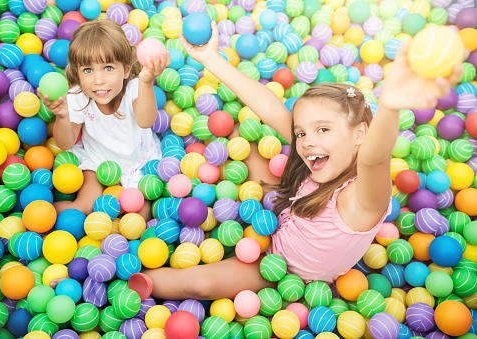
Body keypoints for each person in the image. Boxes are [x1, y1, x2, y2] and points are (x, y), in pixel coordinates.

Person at [138, 22, 463, 301]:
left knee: (201, 284)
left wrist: (390, 105)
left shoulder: (363, 199)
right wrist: (210, 58)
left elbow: (375, 160)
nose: (307, 142)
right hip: (282, 208)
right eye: (302, 132)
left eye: (323, 129)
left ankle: (132, 283)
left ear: (361, 133)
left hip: (280, 269)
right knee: (242, 136)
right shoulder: (318, 156)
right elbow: (271, 107)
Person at [38, 19, 170, 218]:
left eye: (108, 68)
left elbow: (146, 121)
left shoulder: (135, 88)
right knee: (83, 208)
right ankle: (35, 216)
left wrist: (147, 80)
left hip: (138, 161)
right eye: (88, 70)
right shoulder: (76, 96)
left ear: (126, 70)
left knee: (140, 214)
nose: (98, 80)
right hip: (97, 162)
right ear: (78, 73)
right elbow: (65, 143)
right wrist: (62, 116)